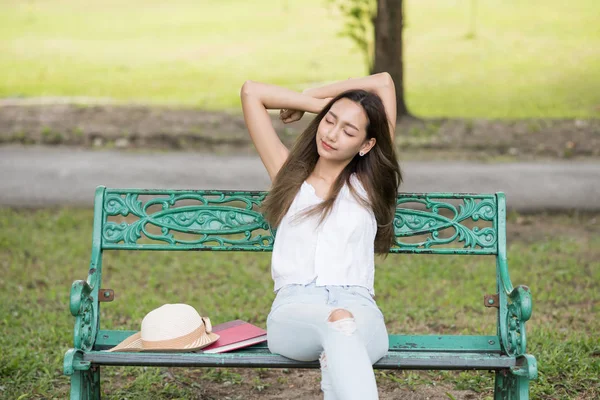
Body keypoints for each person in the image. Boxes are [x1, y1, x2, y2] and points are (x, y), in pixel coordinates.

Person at [240, 73, 402, 400]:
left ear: (367, 144)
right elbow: (251, 93)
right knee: (339, 325)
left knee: (342, 338)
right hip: (295, 312)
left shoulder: (368, 187)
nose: (331, 134)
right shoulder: (288, 175)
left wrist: (319, 95)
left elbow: (384, 82)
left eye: (349, 130)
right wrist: (313, 102)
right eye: (329, 121)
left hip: (360, 309)